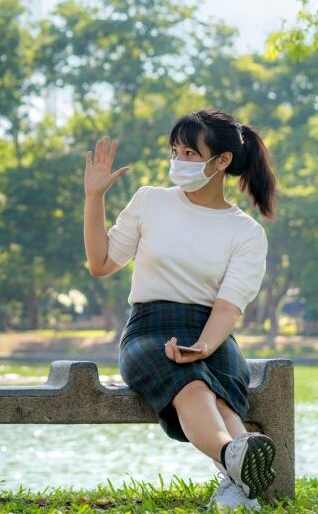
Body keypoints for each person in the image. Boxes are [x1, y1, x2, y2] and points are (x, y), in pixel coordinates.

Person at [82, 109, 277, 511]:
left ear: (222, 161)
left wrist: (203, 346)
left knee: (221, 396)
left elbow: (227, 307)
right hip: (149, 329)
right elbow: (100, 263)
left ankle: (235, 484)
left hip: (213, 333)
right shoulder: (150, 201)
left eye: (190, 152)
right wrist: (94, 196)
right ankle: (234, 457)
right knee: (192, 385)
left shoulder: (246, 232)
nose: (178, 161)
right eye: (175, 151)